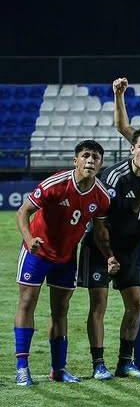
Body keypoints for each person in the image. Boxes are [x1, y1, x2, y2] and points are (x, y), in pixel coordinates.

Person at [14, 141, 115, 386]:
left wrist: (109, 255)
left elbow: (100, 232)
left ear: (101, 164)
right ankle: (22, 368)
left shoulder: (101, 196)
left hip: (67, 257)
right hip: (37, 252)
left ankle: (58, 369)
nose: (90, 161)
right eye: (86, 156)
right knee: (27, 302)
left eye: (96, 158)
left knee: (61, 310)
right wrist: (29, 239)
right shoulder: (55, 184)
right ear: (76, 160)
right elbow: (23, 212)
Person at [78, 128, 140, 379]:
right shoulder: (115, 176)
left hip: (130, 249)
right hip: (101, 246)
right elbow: (102, 219)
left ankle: (125, 363)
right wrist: (136, 204)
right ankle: (98, 364)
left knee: (136, 303)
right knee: (99, 305)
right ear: (132, 149)